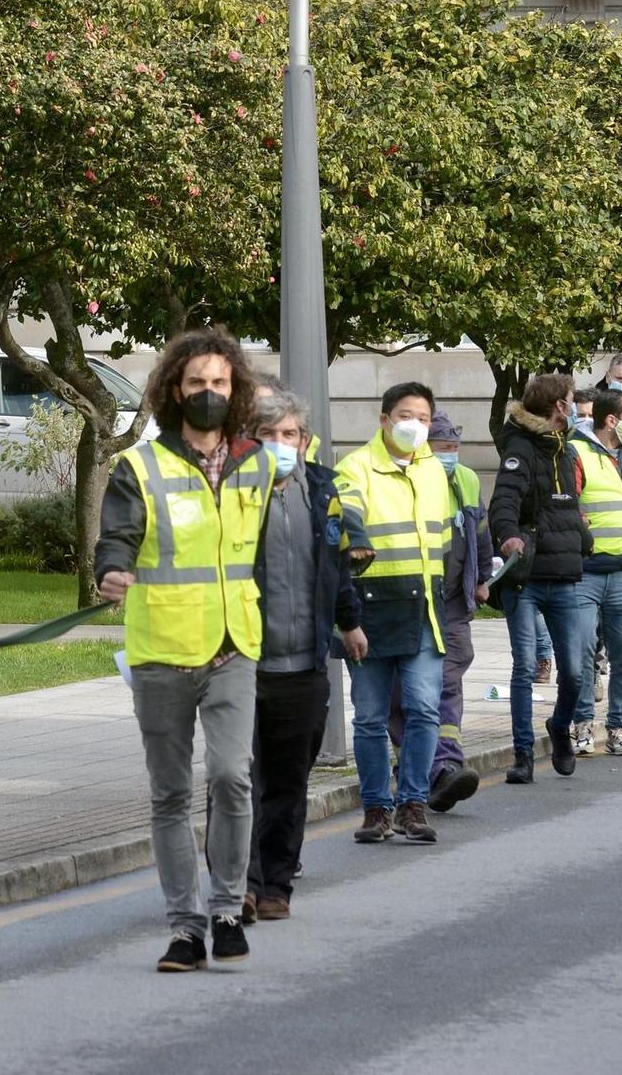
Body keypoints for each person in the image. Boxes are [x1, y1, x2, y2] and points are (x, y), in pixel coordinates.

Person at [95, 329, 267, 972]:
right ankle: (184, 928)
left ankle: (226, 909)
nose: (209, 393)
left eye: (220, 383)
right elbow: (116, 537)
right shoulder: (139, 466)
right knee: (170, 794)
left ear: (236, 389)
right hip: (162, 650)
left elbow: (271, 555)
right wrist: (109, 572)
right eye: (197, 383)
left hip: (233, 646)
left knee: (230, 775)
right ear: (175, 390)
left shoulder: (259, 463)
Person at [246, 388, 359, 919]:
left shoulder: (323, 490)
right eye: (266, 435)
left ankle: (276, 887)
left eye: (287, 435)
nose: (278, 444)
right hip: (241, 665)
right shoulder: (228, 492)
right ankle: (240, 884)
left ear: (305, 441)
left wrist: (351, 623)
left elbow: (336, 567)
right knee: (240, 779)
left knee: (289, 783)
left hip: (305, 664)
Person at [334, 382, 451, 837]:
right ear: (383, 419)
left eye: (423, 419)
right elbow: (348, 510)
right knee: (369, 716)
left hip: (424, 609)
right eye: (405, 416)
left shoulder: (433, 470)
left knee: (424, 710)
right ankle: (376, 808)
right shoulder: (356, 467)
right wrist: (357, 541)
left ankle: (413, 804)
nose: (415, 426)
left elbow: (443, 540)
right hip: (371, 611)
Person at [490, 372, 594, 780]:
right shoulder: (521, 447)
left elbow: (564, 502)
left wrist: (580, 527)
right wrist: (509, 537)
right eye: (570, 400)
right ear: (559, 407)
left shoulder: (565, 450)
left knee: (573, 670)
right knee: (524, 667)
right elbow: (504, 501)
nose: (574, 407)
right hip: (529, 577)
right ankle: (523, 755)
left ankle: (559, 726)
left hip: (565, 572)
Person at [570, 390, 622, 756]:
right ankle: (582, 724)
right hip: (586, 570)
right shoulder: (577, 451)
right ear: (611, 420)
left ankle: (619, 728)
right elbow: (566, 502)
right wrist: (579, 522)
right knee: (583, 652)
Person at [416, 412, 489, 811]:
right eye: (443, 449)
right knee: (414, 691)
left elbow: (480, 533)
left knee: (449, 678)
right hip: (415, 598)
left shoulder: (467, 480)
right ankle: (425, 767)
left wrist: (481, 578)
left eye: (454, 449)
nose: (450, 456)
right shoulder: (413, 479)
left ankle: (445, 766)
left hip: (454, 599)